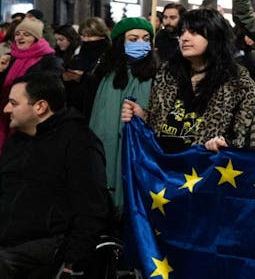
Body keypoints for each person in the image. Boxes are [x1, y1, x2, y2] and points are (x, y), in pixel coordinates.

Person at [0, 73, 111, 278]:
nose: (6, 109)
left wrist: (73, 261)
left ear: (40, 107)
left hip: (48, 245)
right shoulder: (17, 141)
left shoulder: (79, 142)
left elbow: (91, 208)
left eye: (13, 103)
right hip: (9, 237)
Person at [121, 9, 255, 153]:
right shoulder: (167, 73)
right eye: (182, 32)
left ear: (214, 36)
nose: (184, 38)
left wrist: (226, 144)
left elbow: (248, 131)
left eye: (194, 32)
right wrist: (142, 115)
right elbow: (157, 122)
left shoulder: (236, 79)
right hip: (162, 167)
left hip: (204, 169)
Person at [89, 17, 158, 209]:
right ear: (121, 43)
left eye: (146, 39)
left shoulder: (157, 76)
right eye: (133, 39)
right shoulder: (107, 75)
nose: (141, 44)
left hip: (137, 153)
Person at [0, 18, 63, 150]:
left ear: (36, 38)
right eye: (17, 34)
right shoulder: (11, 58)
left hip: (32, 118)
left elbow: (50, 86)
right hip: (6, 113)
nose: (20, 37)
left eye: (26, 34)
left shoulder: (50, 60)